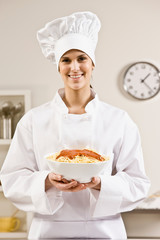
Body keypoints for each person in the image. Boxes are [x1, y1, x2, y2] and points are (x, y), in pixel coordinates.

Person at [0, 11, 150, 239]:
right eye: (66, 60)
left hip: (105, 230)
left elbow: (138, 182)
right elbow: (12, 179)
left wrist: (100, 183)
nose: (74, 67)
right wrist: (47, 181)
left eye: (81, 58)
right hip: (49, 230)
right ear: (58, 66)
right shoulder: (34, 120)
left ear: (92, 64)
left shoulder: (119, 120)